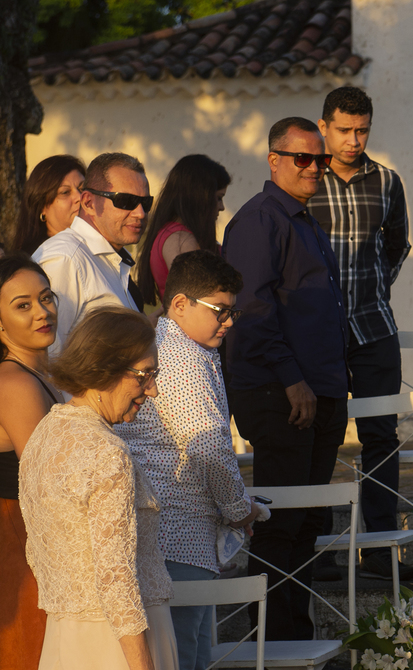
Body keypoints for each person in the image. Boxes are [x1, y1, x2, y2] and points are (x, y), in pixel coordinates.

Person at [19, 307, 181, 670]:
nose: (152, 390)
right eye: (145, 375)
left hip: (66, 646)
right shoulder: (106, 454)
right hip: (122, 652)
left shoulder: (47, 435)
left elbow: (40, 552)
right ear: (106, 370)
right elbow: (117, 581)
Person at [119, 250, 266, 670]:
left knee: (194, 666)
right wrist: (240, 508)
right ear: (179, 304)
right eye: (219, 310)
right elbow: (205, 445)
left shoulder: (186, 346)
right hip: (174, 528)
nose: (227, 321)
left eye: (232, 311)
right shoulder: (179, 356)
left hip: (186, 527)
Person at [223, 116, 349, 643]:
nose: (315, 168)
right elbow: (250, 313)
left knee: (309, 523)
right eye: (303, 158)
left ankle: (298, 644)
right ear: (274, 161)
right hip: (281, 394)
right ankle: (275, 652)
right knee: (281, 525)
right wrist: (294, 380)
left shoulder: (305, 220)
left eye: (320, 160)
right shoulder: (258, 221)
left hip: (317, 389)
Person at [310, 86, 413, 582]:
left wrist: (372, 294)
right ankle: (320, 550)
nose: (354, 140)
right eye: (345, 130)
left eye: (363, 130)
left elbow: (395, 247)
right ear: (325, 126)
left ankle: (377, 550)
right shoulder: (307, 178)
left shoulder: (388, 182)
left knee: (380, 437)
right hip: (322, 334)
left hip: (374, 328)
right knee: (320, 436)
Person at [0, 256, 61, 670]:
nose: (42, 311)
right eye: (23, 305)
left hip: (29, 541)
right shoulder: (13, 381)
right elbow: (47, 482)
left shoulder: (43, 372)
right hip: (16, 545)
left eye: (45, 297)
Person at [32, 152, 151, 352]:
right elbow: (48, 358)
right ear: (88, 203)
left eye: (145, 203)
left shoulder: (112, 258)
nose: (140, 213)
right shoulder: (65, 259)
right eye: (126, 201)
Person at [133, 154, 231, 308]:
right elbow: (199, 302)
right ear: (200, 197)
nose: (221, 207)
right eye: (219, 198)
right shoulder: (180, 240)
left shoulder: (170, 233)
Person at [12, 155, 86, 256]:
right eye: (65, 192)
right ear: (42, 207)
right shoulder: (49, 257)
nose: (80, 197)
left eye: (83, 188)